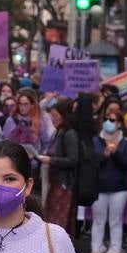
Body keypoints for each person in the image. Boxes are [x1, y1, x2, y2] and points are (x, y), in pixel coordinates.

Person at [87, 104, 127, 253]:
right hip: (99, 186)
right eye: (106, 119)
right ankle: (95, 252)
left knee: (116, 221)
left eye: (112, 120)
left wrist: (115, 153)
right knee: (98, 221)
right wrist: (104, 155)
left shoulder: (125, 142)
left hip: (119, 188)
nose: (108, 122)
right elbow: (91, 162)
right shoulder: (96, 140)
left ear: (119, 123)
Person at [37, 98, 81, 236]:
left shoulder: (69, 134)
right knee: (51, 215)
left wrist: (51, 160)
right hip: (53, 180)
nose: (53, 119)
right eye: (52, 116)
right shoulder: (57, 133)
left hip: (63, 182)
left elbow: (73, 159)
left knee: (59, 218)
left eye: (56, 116)